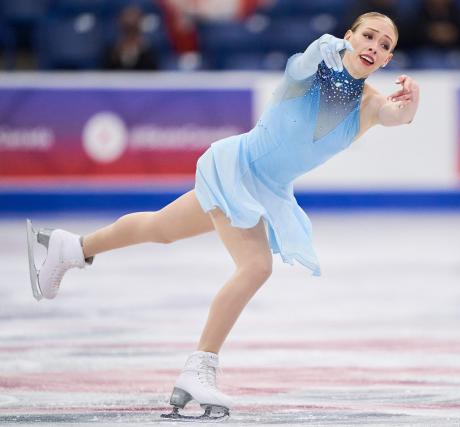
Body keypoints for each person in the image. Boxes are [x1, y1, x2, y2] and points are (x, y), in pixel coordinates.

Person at [26, 11, 419, 420]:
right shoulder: (310, 71)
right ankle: (199, 367)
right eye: (368, 36)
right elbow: (301, 63)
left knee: (161, 227)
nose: (374, 46)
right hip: (236, 168)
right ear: (348, 37)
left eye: (385, 44)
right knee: (255, 266)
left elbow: (400, 116)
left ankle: (71, 247)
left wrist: (413, 101)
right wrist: (323, 47)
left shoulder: (370, 106)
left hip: (265, 191)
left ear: (388, 60)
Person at [102, 5, 159, 71]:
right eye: (127, 29)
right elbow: (105, 74)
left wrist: (142, 50)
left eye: (133, 29)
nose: (130, 33)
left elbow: (152, 73)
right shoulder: (111, 51)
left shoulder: (149, 52)